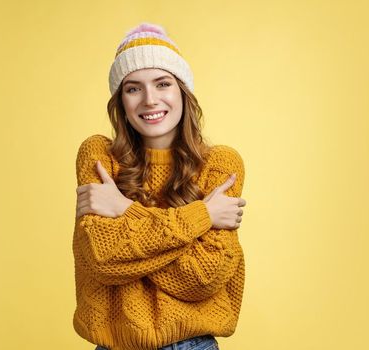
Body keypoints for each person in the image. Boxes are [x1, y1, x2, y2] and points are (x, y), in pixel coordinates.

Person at [72, 22, 247, 350]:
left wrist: (123, 210)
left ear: (182, 90)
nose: (150, 100)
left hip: (191, 345)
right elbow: (103, 259)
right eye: (133, 88)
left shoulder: (220, 164)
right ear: (120, 100)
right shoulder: (98, 156)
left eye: (162, 83)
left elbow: (202, 278)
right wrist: (204, 215)